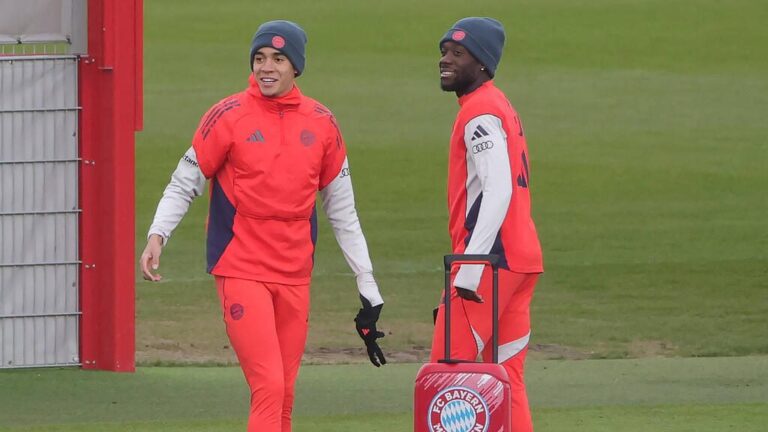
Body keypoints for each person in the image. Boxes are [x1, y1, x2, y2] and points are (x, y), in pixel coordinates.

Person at [138, 20, 386, 432]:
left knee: (285, 395)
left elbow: (344, 212)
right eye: (259, 59)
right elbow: (185, 182)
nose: (266, 68)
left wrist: (367, 282)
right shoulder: (228, 116)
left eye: (278, 59)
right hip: (241, 268)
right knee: (269, 386)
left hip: (294, 275)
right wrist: (157, 235)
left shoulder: (323, 123)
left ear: (297, 67)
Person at [430, 17, 544, 432]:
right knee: (507, 378)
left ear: (482, 64)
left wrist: (472, 265)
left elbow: (498, 190)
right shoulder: (497, 104)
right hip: (519, 259)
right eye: (444, 52)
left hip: (489, 265)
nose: (445, 60)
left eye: (457, 54)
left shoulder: (479, 112)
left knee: (446, 378)